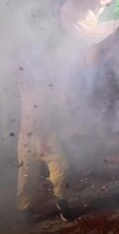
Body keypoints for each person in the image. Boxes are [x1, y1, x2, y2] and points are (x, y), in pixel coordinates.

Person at [16, 66, 73, 221]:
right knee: (26, 176)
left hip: (47, 136)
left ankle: (62, 199)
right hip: (26, 139)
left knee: (61, 169)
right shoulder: (21, 87)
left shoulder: (49, 88)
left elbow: (59, 109)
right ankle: (24, 208)